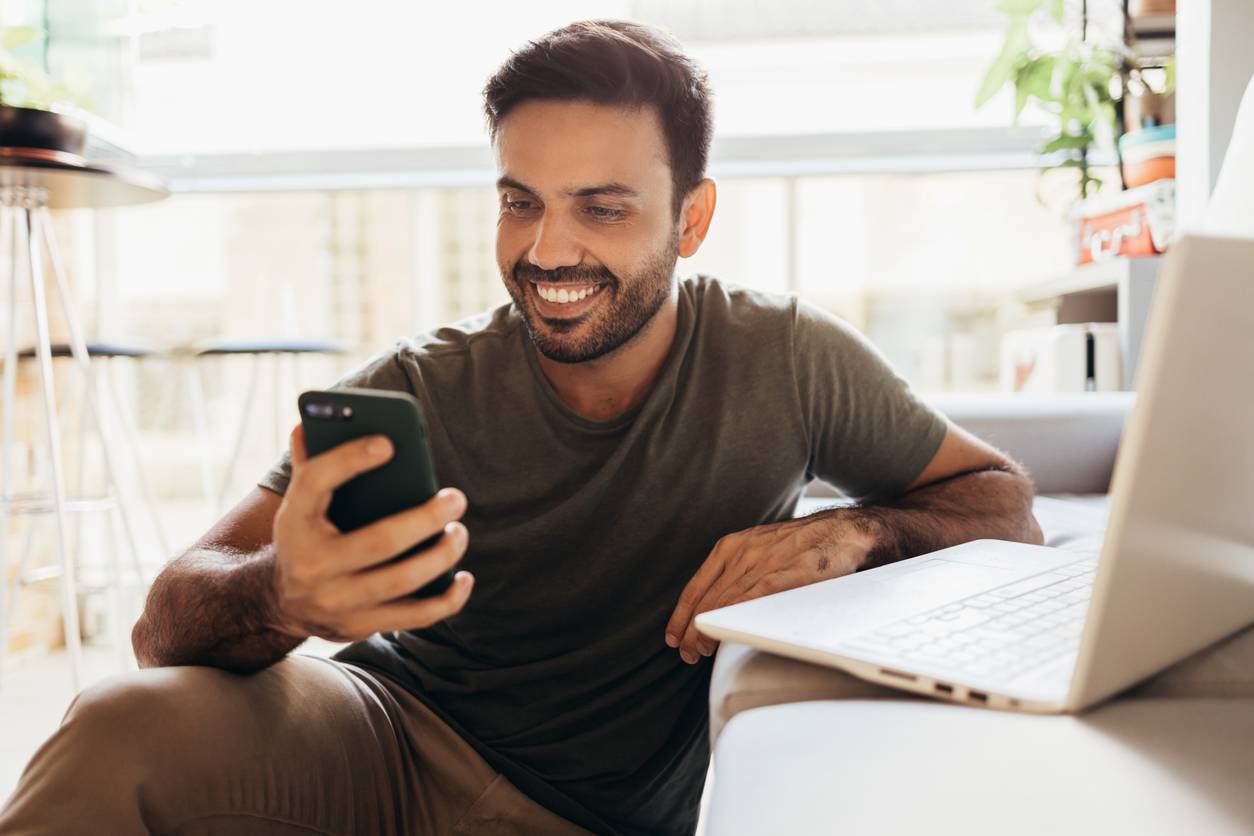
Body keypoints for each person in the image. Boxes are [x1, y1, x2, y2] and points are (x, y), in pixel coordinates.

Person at [0, 19, 1042, 836]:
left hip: (595, 815)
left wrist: (858, 533)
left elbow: (1002, 501)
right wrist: (283, 592)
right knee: (115, 721)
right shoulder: (423, 383)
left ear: (692, 218)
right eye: (519, 200)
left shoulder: (786, 358)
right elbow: (164, 621)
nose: (548, 249)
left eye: (602, 207)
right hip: (390, 740)